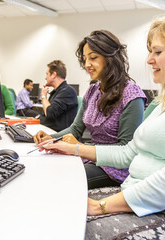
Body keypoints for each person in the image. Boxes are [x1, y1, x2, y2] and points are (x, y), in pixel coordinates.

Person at [39, 9, 165, 239]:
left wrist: (99, 207)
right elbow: (129, 153)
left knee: (69, 228)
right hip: (143, 197)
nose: (149, 59)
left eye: (157, 51)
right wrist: (72, 148)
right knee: (53, 208)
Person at [34, 30, 146, 189]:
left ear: (110, 58)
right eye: (85, 59)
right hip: (90, 157)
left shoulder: (132, 95)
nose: (87, 64)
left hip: (114, 169)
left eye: (93, 58)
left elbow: (125, 150)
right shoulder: (93, 91)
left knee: (57, 177)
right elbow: (76, 129)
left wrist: (78, 148)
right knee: (46, 165)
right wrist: (50, 138)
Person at [39, 60, 78, 132]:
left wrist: (43, 96)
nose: (45, 78)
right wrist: (36, 120)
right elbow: (45, 114)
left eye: (47, 74)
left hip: (59, 136)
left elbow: (49, 113)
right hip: (49, 132)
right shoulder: (56, 92)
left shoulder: (68, 91)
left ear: (53, 75)